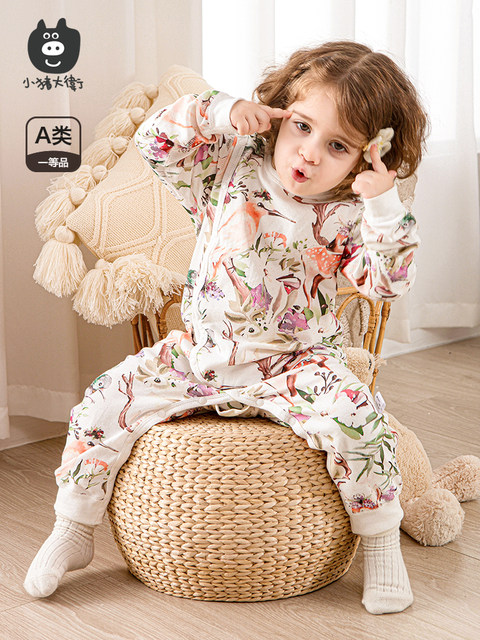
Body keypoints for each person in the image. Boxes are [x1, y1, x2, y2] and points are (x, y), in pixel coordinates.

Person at [24, 41, 428, 615]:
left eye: (337, 146)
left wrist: (384, 207)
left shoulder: (348, 216)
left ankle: (382, 545)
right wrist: (221, 111)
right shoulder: (229, 166)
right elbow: (155, 142)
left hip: (296, 362)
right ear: (281, 112)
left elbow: (387, 283)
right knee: (102, 400)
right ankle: (73, 527)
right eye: (303, 126)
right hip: (201, 355)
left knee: (360, 419)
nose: (309, 153)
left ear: (366, 160)